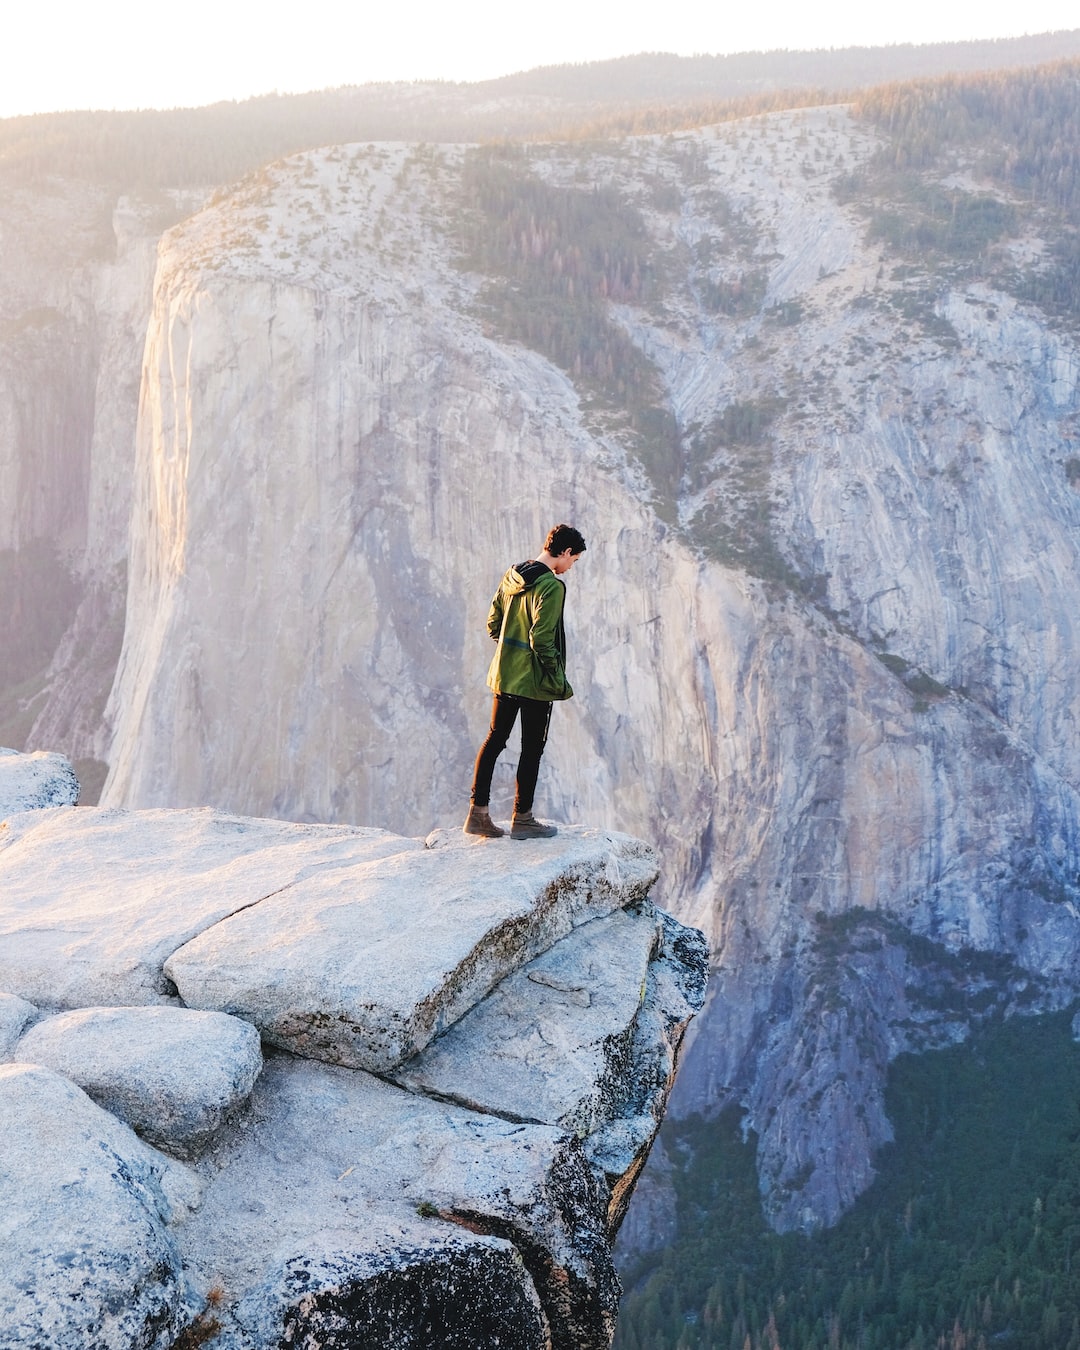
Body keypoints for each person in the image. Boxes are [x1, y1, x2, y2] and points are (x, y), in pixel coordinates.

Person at [464, 523, 586, 840]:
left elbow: (493, 623)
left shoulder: (513, 575)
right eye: (574, 560)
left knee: (494, 740)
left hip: (504, 676)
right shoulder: (552, 587)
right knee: (531, 749)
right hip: (534, 683)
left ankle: (477, 814)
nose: (570, 567)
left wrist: (510, 650)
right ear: (567, 552)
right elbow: (542, 639)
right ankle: (523, 818)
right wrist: (557, 677)